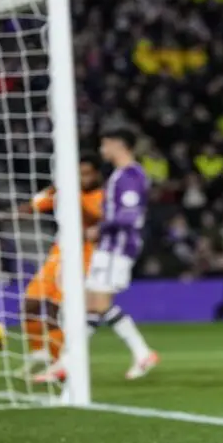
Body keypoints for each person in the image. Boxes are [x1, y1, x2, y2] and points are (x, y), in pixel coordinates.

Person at [35, 128, 159, 383]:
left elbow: (129, 216)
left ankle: (141, 352)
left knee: (98, 304)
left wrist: (99, 229)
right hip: (109, 247)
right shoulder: (121, 175)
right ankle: (67, 364)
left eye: (105, 144)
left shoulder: (130, 175)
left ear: (118, 145)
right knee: (91, 306)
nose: (102, 150)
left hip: (117, 247)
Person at [4, 155, 105, 378]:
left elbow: (95, 218)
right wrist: (4, 216)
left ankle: (59, 364)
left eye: (87, 173)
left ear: (96, 174)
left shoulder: (102, 196)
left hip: (83, 259)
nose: (83, 178)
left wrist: (73, 195)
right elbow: (34, 205)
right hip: (58, 255)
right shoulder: (64, 191)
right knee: (29, 306)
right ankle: (38, 354)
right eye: (79, 174)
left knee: (54, 312)